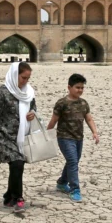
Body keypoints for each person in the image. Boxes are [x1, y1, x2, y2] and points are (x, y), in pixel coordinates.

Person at [0, 62, 36, 212]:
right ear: (15, 75)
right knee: (17, 164)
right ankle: (18, 198)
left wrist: (32, 112)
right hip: (4, 136)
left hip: (21, 135)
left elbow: (33, 106)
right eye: (23, 78)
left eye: (28, 78)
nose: (25, 81)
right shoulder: (1, 92)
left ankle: (9, 196)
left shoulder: (28, 92)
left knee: (16, 165)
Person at [46, 73, 99, 202]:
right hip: (64, 137)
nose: (80, 90)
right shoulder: (62, 103)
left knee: (73, 161)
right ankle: (75, 189)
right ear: (69, 87)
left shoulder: (83, 103)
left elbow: (89, 118)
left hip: (78, 138)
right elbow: (54, 120)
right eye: (77, 87)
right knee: (73, 161)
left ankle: (62, 182)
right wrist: (47, 134)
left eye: (82, 88)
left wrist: (94, 132)